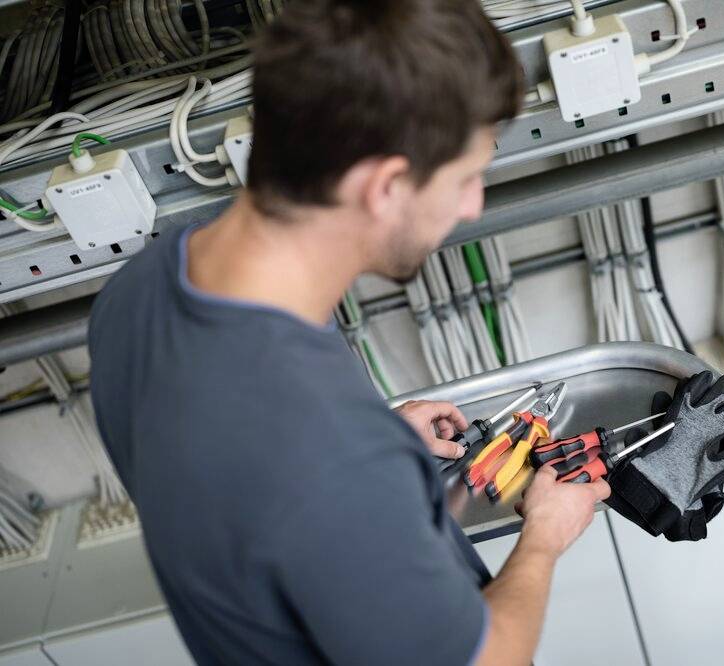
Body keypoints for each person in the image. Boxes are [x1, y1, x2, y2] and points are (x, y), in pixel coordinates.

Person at [87, 1, 611, 664]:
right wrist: (544, 533)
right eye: (465, 177)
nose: (472, 204)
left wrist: (378, 442)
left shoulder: (137, 293)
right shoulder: (328, 457)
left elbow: (247, 490)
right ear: (386, 185)